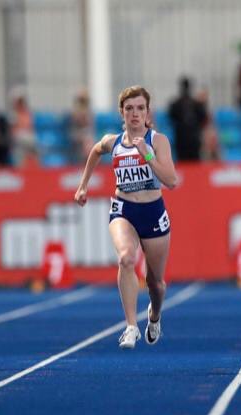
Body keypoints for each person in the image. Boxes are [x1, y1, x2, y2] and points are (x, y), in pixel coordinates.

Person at [74, 86, 178, 349]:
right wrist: (83, 186)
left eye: (140, 108)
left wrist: (148, 155)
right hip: (124, 209)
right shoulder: (114, 142)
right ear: (122, 112)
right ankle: (131, 326)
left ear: (147, 112)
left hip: (153, 212)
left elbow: (171, 181)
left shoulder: (158, 141)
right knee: (126, 258)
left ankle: (154, 316)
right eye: (129, 108)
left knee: (156, 284)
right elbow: (96, 151)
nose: (135, 113)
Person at [168, 76, 207, 162]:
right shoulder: (196, 104)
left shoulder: (176, 104)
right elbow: (203, 118)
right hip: (190, 139)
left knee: (185, 162)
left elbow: (171, 118)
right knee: (193, 163)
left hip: (184, 139)